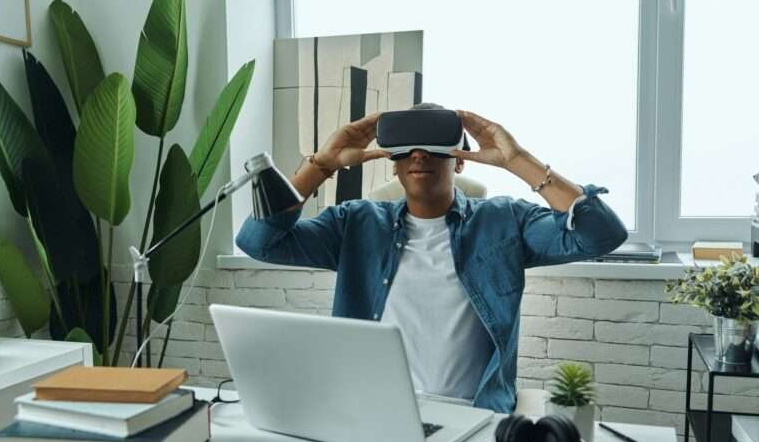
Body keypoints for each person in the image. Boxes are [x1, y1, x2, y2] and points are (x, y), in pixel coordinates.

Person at [237, 103, 627, 413]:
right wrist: (322, 164)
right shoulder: (356, 223)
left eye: (435, 145)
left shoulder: (505, 220)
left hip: (474, 415)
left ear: (459, 160)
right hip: (373, 409)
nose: (420, 154)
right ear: (395, 160)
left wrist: (516, 158)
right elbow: (259, 241)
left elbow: (600, 234)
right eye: (407, 146)